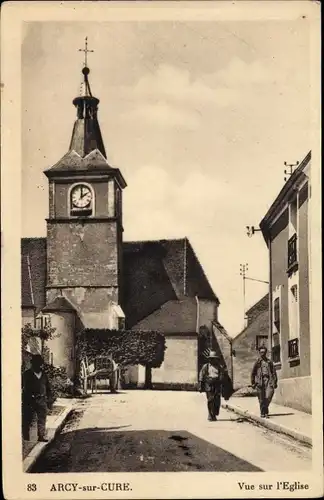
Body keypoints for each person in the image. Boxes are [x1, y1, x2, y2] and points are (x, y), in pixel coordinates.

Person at [22, 354, 53, 442]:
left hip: (41, 400)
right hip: (29, 400)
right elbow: (20, 387)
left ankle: (41, 436)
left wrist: (49, 401)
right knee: (27, 419)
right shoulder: (26, 374)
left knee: (42, 418)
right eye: (36, 363)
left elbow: (48, 388)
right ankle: (26, 438)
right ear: (32, 364)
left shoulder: (44, 375)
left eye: (40, 363)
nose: (38, 365)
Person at [199, 351, 229, 421]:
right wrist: (200, 384)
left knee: (216, 400)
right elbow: (201, 375)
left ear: (216, 359)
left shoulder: (219, 367)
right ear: (209, 359)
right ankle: (210, 414)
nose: (212, 360)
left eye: (214, 359)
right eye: (211, 358)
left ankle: (214, 414)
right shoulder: (205, 366)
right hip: (209, 384)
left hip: (217, 384)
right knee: (210, 400)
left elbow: (222, 375)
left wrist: (221, 380)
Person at [251, 346, 277, 418]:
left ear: (266, 353)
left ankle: (265, 410)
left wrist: (275, 381)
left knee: (268, 396)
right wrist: (253, 383)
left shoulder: (269, 362)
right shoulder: (257, 362)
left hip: (269, 380)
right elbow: (253, 373)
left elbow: (274, 372)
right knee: (261, 399)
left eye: (264, 352)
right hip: (260, 382)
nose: (263, 353)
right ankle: (264, 412)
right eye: (261, 352)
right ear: (259, 353)